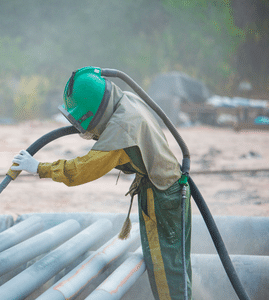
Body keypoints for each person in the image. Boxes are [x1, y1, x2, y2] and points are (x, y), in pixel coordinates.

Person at [10, 66, 192, 300]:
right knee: (174, 266)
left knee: (166, 272)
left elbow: (83, 170)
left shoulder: (121, 131)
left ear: (92, 111)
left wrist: (39, 168)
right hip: (169, 190)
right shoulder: (127, 101)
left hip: (162, 198)